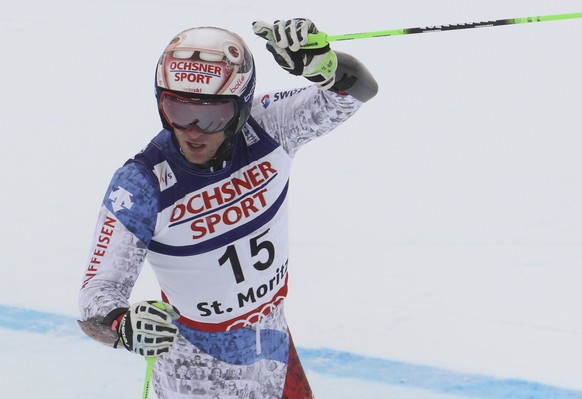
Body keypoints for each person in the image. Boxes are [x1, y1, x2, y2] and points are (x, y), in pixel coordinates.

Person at [78, 18, 378, 398]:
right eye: (177, 110)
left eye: (211, 116)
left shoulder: (269, 127)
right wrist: (124, 326)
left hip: (271, 346)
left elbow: (355, 92)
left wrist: (324, 66)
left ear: (241, 107)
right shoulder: (142, 184)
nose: (192, 131)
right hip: (195, 373)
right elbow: (97, 292)